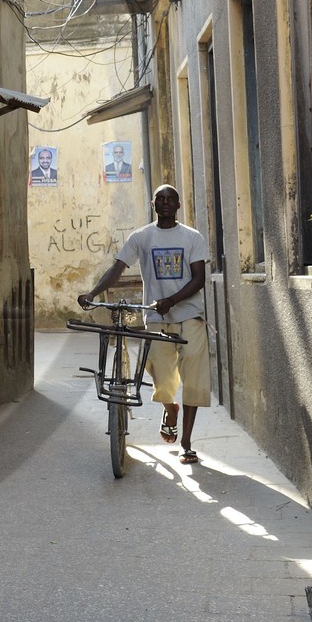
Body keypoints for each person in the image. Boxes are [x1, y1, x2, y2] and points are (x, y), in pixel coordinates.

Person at [77, 184, 209, 463]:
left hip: (190, 316)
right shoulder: (142, 237)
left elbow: (198, 279)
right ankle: (169, 408)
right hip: (156, 317)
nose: (164, 204)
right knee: (161, 377)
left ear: (177, 205)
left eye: (170, 199)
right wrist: (93, 293)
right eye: (159, 199)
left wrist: (172, 300)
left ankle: (185, 442)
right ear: (153, 204)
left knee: (194, 380)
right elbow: (117, 268)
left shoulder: (192, 237)